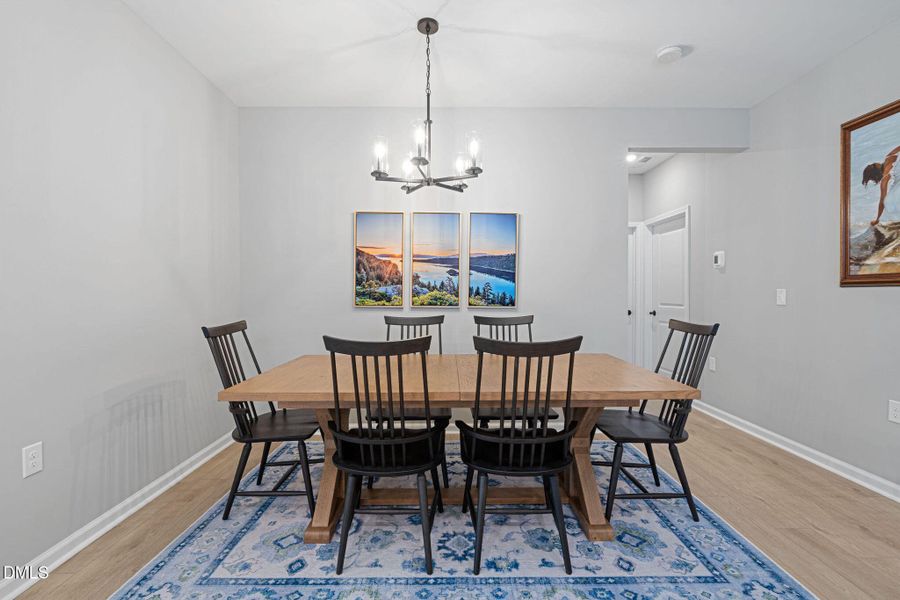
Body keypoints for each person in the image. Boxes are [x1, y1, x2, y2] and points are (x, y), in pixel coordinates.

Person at [862, 145, 900, 226]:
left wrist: (877, 219)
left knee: (889, 200)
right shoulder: (889, 156)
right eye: (873, 165)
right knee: (890, 200)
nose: (874, 163)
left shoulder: (885, 178)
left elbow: (882, 202)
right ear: (875, 168)